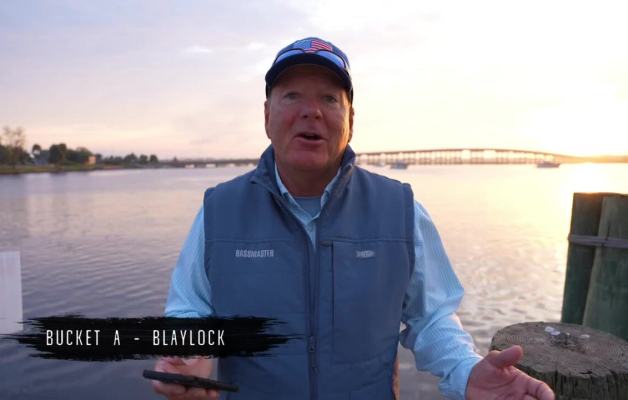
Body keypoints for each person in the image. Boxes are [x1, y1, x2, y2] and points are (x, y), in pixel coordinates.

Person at [152, 37, 555, 400]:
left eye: (329, 99)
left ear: (350, 121)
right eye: (292, 96)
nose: (311, 111)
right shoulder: (219, 210)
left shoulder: (400, 209)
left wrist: (466, 371)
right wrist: (188, 354)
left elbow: (431, 317)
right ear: (267, 115)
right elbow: (190, 309)